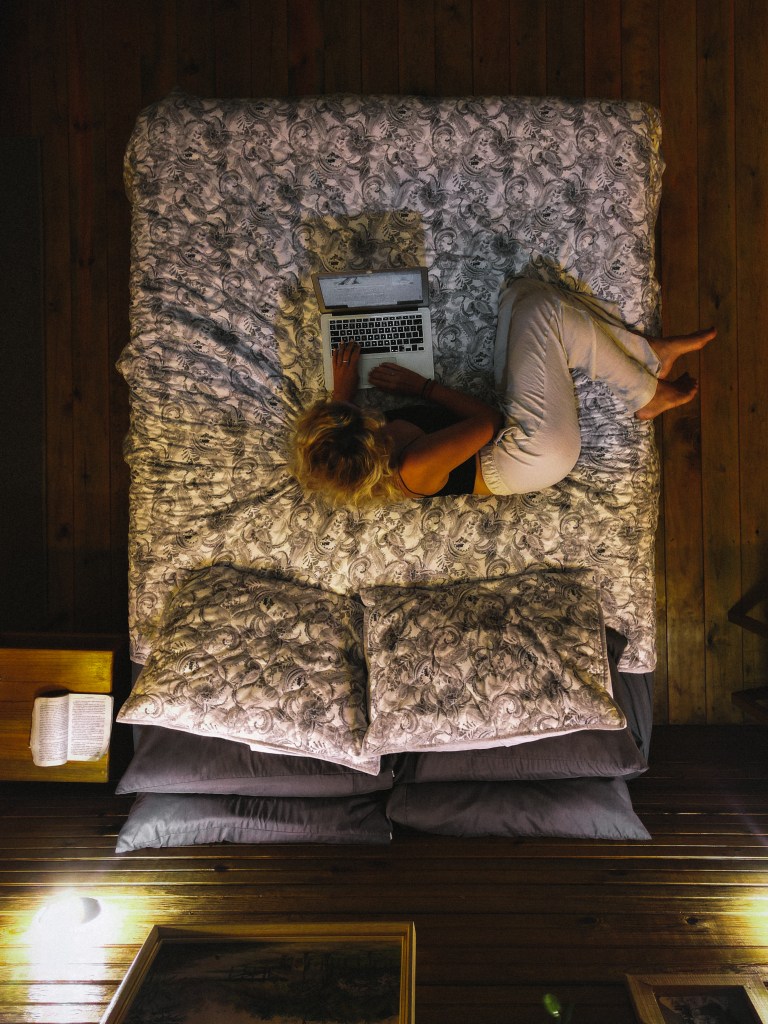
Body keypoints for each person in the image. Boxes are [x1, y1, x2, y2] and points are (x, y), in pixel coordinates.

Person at [291, 278, 715, 506]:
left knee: (521, 293)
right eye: (364, 418)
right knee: (543, 311)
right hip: (530, 453)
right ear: (370, 443)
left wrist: (341, 395)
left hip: (507, 433)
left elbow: (339, 437)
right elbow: (486, 422)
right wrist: (421, 386)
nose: (371, 413)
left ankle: (647, 356)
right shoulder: (412, 467)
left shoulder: (351, 449)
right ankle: (647, 396)